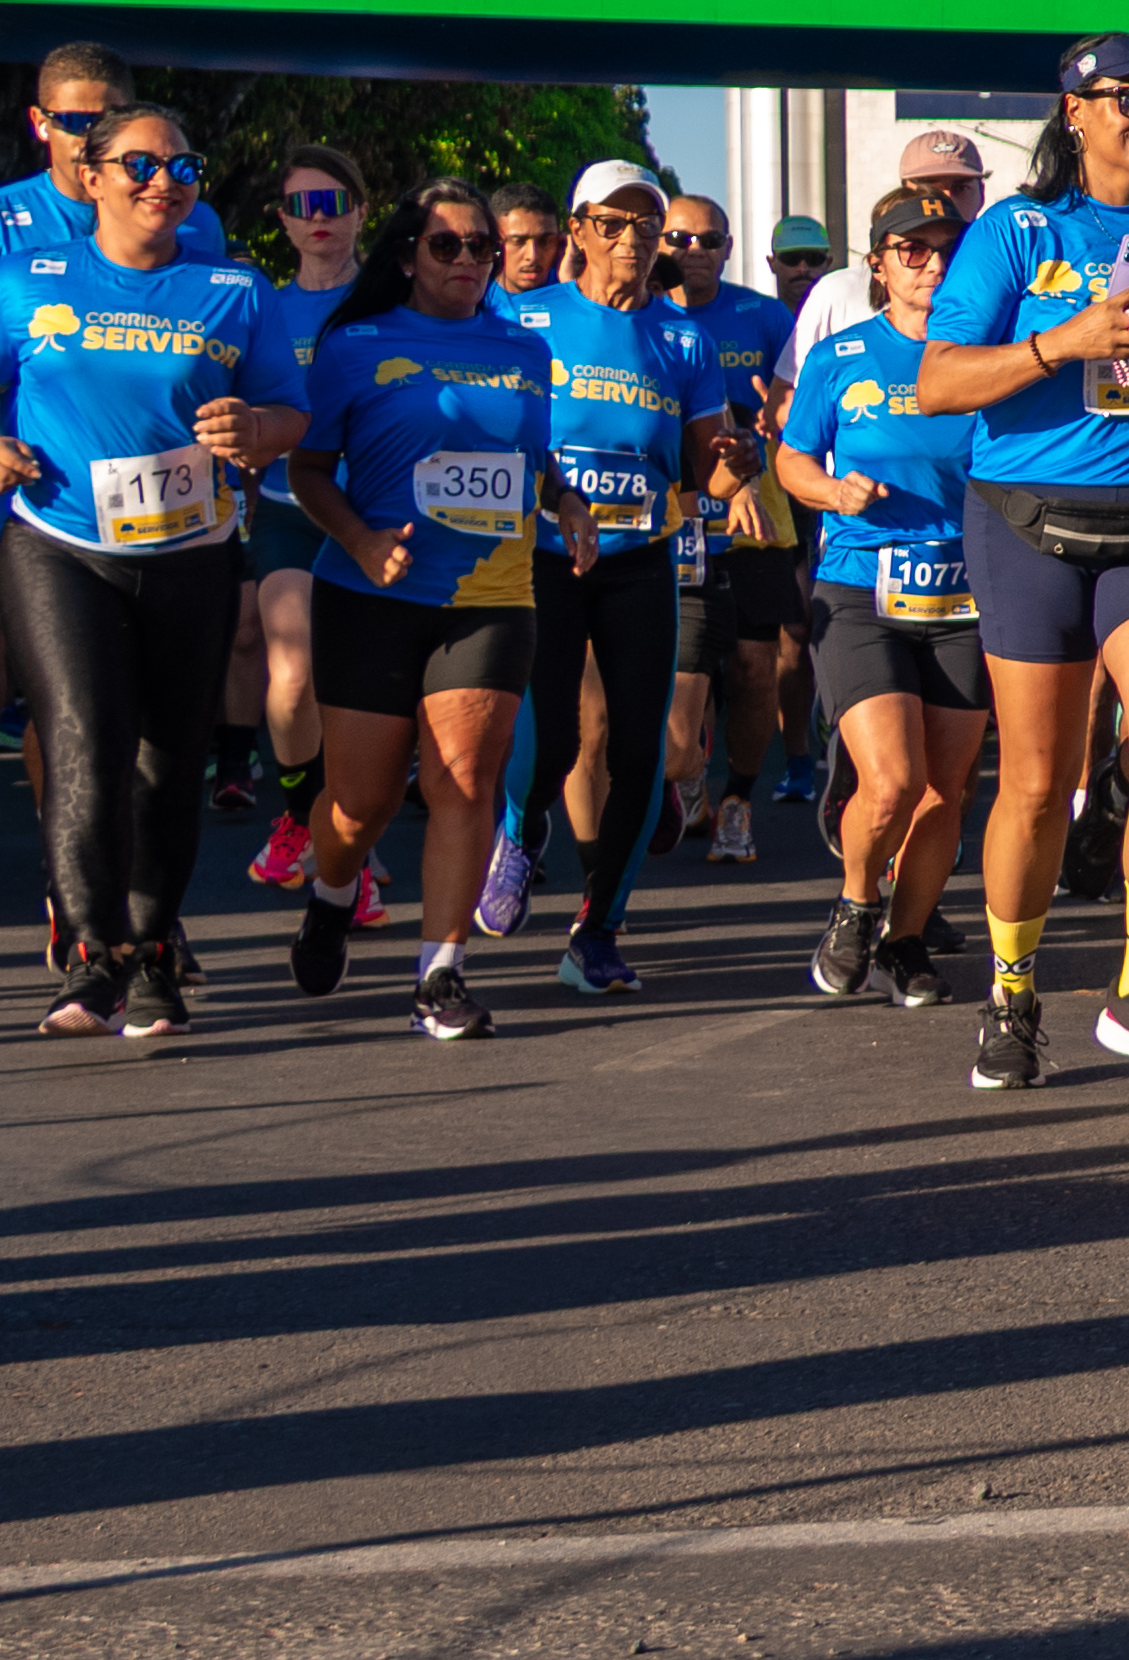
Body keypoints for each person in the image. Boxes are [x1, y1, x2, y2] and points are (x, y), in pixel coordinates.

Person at [918, 37, 1129, 1091]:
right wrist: (1059, 345)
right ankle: (1012, 996)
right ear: (1075, 111)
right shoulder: (1016, 230)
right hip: (1028, 518)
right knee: (1035, 782)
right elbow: (937, 382)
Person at [0, 101, 304, 1037]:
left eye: (181, 167)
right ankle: (92, 955)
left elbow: (290, 414)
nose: (163, 182)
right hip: (61, 544)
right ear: (89, 178)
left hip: (191, 554)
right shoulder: (23, 277)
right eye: (139, 165)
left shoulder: (236, 292)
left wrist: (256, 431)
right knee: (85, 736)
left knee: (170, 763)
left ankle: (156, 941)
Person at [284, 176, 581, 1036]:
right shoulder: (355, 344)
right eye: (446, 245)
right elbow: (306, 471)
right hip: (370, 594)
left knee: (464, 779)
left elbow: (533, 462)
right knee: (358, 804)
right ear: (409, 255)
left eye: (481, 247)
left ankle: (441, 973)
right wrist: (363, 542)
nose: (468, 261)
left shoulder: (525, 351)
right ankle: (332, 891)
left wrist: (562, 503)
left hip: (490, 594)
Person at [479, 158, 733, 1000]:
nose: (632, 239)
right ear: (579, 230)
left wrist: (740, 464)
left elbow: (712, 468)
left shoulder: (684, 337)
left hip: (641, 561)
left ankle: (598, 929)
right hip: (546, 557)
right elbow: (492, 428)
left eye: (646, 226)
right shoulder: (525, 318)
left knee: (639, 751)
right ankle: (519, 831)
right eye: (614, 223)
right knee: (550, 737)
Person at [781, 189, 987, 1009]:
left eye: (947, 250)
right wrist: (834, 493)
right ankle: (856, 903)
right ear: (879, 264)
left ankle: (906, 940)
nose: (932, 265)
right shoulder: (842, 358)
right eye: (913, 250)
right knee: (894, 780)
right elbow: (793, 461)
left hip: (965, 591)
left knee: (948, 789)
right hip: (862, 586)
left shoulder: (989, 357)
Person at [234, 143, 376, 888]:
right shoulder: (261, 302)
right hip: (291, 508)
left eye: (332, 204)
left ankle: (349, 831)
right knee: (290, 677)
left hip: (379, 515)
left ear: (360, 210)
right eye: (301, 206)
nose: (318, 220)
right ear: (283, 221)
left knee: (360, 693)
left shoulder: (392, 300)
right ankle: (300, 813)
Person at [657, 195, 803, 867]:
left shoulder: (765, 316)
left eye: (708, 240)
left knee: (752, 666)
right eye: (679, 239)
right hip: (672, 521)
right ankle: (688, 777)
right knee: (677, 691)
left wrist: (765, 433)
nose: (694, 251)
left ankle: (738, 800)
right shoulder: (641, 317)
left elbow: (795, 412)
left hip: (754, 521)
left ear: (729, 247)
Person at [794, 130, 989, 378]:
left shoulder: (1005, 286)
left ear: (981, 193)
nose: (944, 198)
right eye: (914, 250)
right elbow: (798, 389)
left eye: (960, 187)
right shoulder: (838, 291)